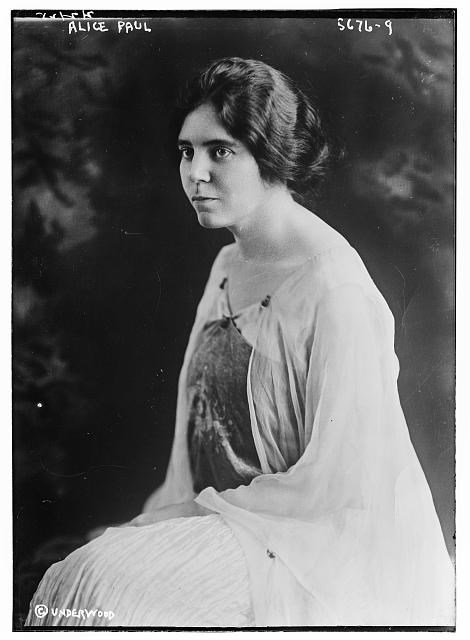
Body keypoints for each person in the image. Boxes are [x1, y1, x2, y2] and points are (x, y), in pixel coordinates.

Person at [25, 57, 454, 627]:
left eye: (220, 151)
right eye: (186, 151)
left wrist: (185, 528)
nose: (194, 172)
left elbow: (341, 491)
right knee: (72, 581)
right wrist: (156, 526)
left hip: (320, 548)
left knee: (100, 591)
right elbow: (196, 452)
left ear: (272, 154)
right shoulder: (228, 265)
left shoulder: (336, 289)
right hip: (237, 523)